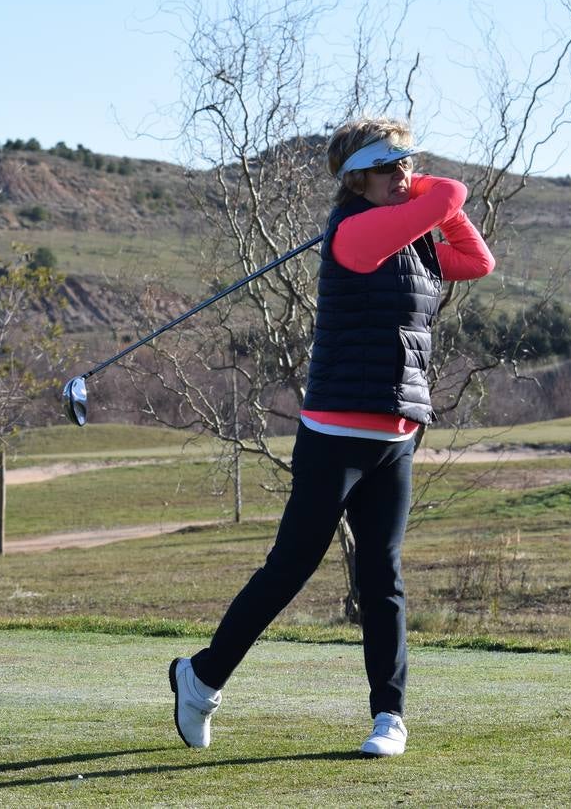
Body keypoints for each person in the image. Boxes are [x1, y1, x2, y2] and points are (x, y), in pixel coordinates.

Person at [170, 117, 495, 758]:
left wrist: (414, 187)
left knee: (382, 578)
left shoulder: (411, 230)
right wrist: (427, 186)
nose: (404, 176)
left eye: (409, 164)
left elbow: (476, 260)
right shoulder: (353, 234)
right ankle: (201, 678)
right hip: (336, 433)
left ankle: (388, 717)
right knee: (290, 568)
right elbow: (450, 195)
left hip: (397, 432)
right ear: (356, 179)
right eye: (391, 166)